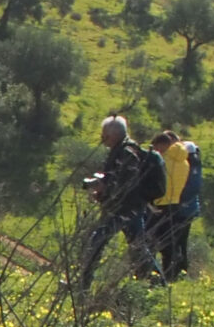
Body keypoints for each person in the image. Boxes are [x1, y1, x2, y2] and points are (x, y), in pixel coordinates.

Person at [77, 115, 159, 287]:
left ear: (114, 134)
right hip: (128, 209)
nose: (102, 137)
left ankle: (82, 284)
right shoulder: (121, 151)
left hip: (123, 210)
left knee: (96, 242)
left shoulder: (127, 154)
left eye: (104, 133)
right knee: (138, 247)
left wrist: (104, 188)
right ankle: (156, 283)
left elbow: (127, 184)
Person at [148, 129, 198, 282]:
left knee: (149, 242)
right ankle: (172, 276)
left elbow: (157, 183)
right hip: (175, 204)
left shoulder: (163, 161)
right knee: (171, 245)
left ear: (163, 146)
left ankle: (154, 276)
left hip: (159, 205)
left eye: (157, 148)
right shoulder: (184, 162)